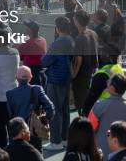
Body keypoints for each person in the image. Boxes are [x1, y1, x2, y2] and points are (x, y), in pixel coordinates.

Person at [88, 74, 126, 158]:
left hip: (103, 155)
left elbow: (90, 128)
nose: (107, 81)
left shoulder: (99, 105)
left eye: (109, 81)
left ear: (113, 88)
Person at [41, 16, 75, 151]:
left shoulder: (57, 43)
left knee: (55, 110)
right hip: (66, 79)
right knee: (65, 110)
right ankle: (65, 138)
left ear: (57, 28)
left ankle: (56, 141)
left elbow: (45, 61)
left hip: (55, 80)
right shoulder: (70, 40)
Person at [6, 66, 54, 152]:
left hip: (18, 133)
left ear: (16, 78)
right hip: (35, 132)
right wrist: (43, 120)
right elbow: (50, 107)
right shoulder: (37, 89)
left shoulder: (10, 94)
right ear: (31, 77)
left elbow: (10, 115)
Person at [72, 10, 99, 115]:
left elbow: (78, 60)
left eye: (74, 18)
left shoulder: (80, 38)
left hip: (82, 75)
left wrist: (73, 74)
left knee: (81, 104)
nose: (73, 20)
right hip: (92, 71)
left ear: (78, 21)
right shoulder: (93, 33)